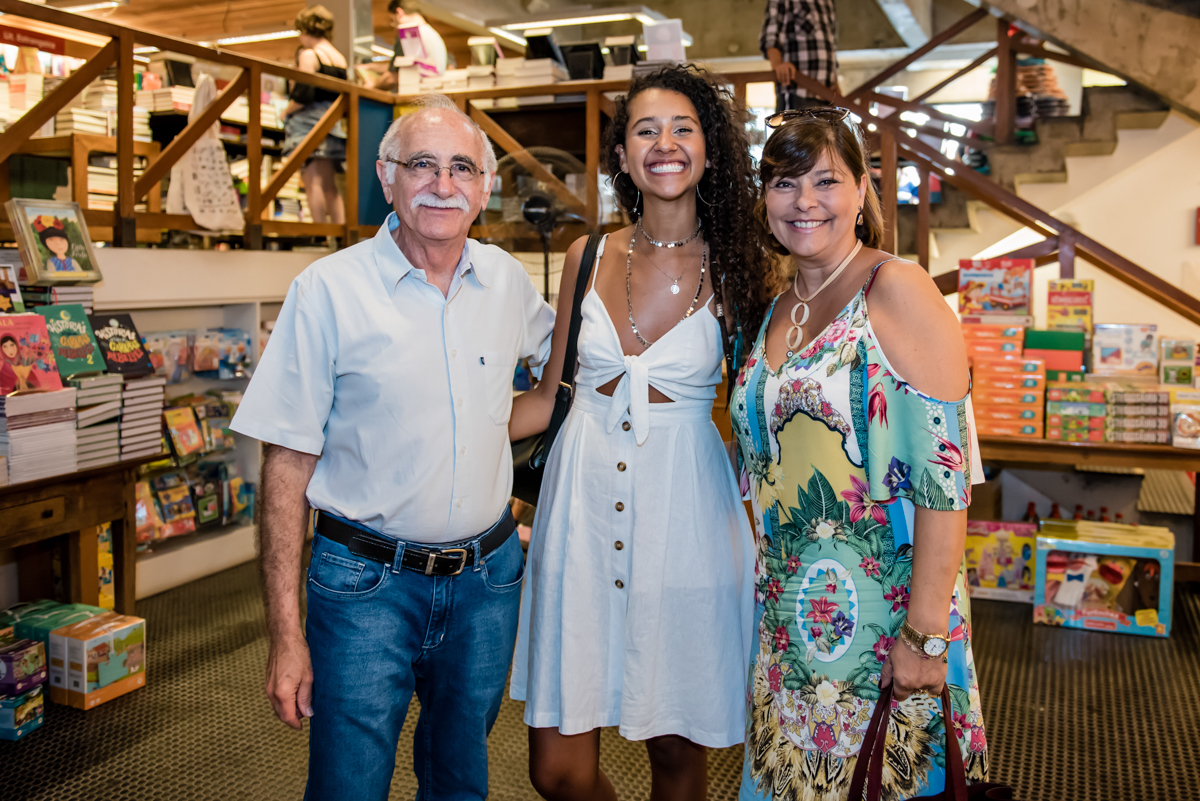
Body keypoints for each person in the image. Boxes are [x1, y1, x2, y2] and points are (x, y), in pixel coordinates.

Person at [229, 94, 555, 800]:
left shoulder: (507, 281)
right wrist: (287, 636)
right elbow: (285, 464)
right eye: (422, 165)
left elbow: (552, 388)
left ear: (486, 187)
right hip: (363, 587)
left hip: (486, 582)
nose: (443, 184)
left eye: (461, 167)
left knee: (459, 778)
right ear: (387, 177)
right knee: (349, 783)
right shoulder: (326, 291)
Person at [507, 64, 768, 800]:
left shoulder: (743, 267)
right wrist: (443, 434)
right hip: (577, 517)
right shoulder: (585, 257)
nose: (665, 143)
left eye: (683, 128)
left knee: (678, 759)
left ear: (709, 150)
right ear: (622, 156)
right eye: (645, 129)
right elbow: (546, 396)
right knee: (557, 771)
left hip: (688, 519)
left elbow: (760, 414)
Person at [731, 107, 989, 800]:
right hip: (788, 624)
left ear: (862, 192)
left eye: (826, 180)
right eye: (784, 182)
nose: (804, 201)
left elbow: (945, 478)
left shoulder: (898, 289)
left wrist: (926, 636)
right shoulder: (779, 306)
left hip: (886, 622)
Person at [282, 6, 348, 226]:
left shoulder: (309, 55)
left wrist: (285, 111)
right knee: (330, 185)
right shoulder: (339, 58)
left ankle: (319, 234)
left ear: (304, 29)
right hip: (332, 124)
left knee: (313, 182)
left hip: (308, 124)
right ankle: (340, 237)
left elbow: (303, 93)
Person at [760, 0, 839, 113]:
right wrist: (778, 65)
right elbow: (771, 37)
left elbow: (830, 48)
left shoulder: (828, 2)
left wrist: (836, 87)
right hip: (797, 92)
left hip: (827, 95)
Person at [371, 0, 448, 92]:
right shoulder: (433, 35)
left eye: (393, 20)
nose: (394, 26)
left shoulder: (409, 34)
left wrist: (372, 86)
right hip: (434, 97)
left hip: (415, 101)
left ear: (399, 13)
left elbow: (392, 78)